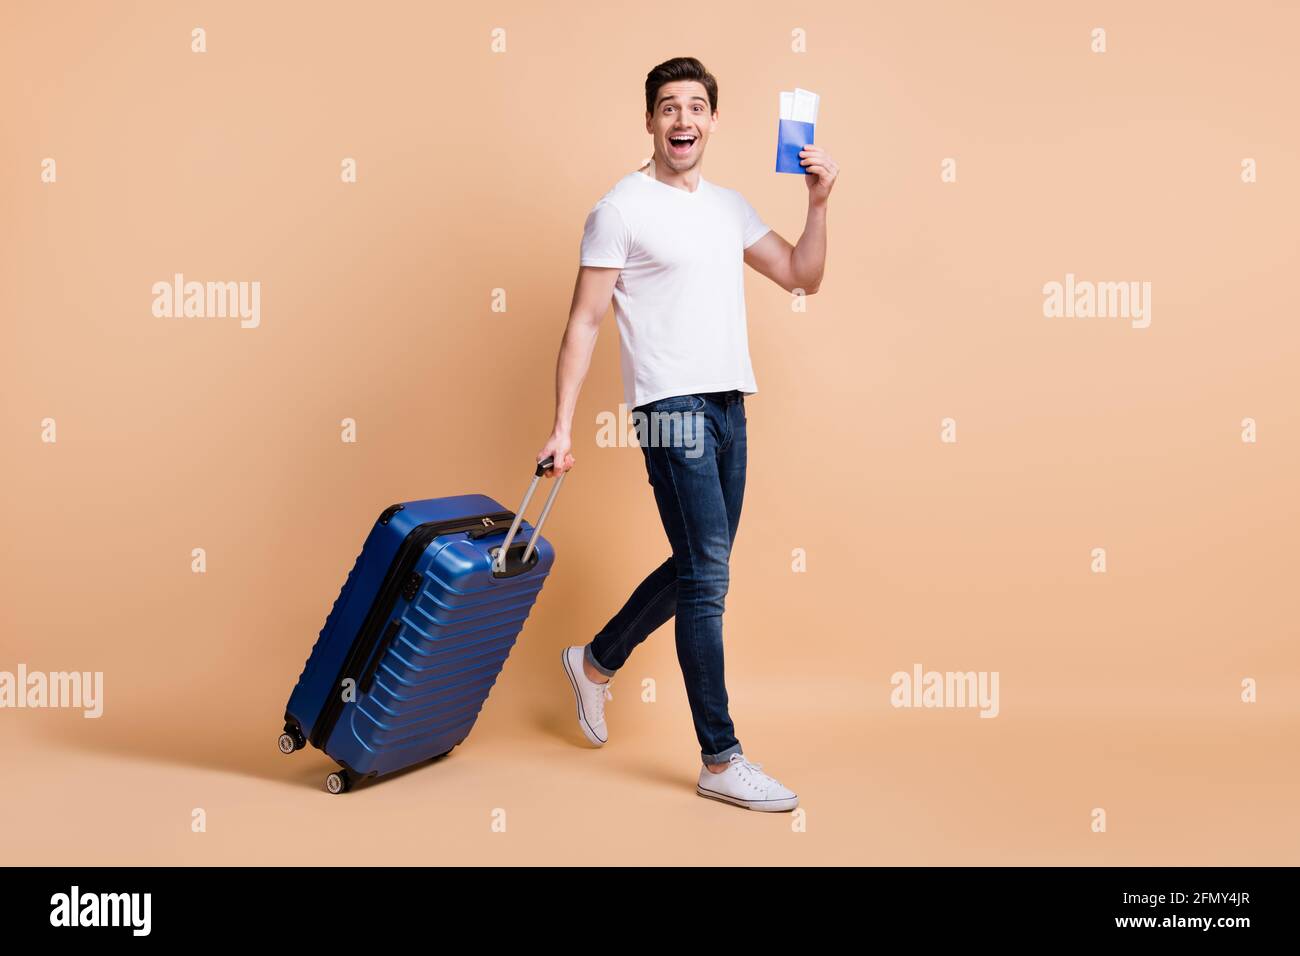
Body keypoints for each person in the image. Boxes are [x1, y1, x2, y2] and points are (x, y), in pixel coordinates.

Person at [539, 56, 837, 812]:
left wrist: (819, 201)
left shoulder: (730, 207)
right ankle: (720, 757)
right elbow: (583, 320)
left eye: (695, 107)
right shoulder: (620, 208)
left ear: (711, 121)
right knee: (709, 578)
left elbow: (803, 275)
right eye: (668, 107)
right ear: (648, 121)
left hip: (730, 404)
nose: (682, 120)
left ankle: (595, 662)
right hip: (668, 408)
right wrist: (562, 427)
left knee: (701, 566)